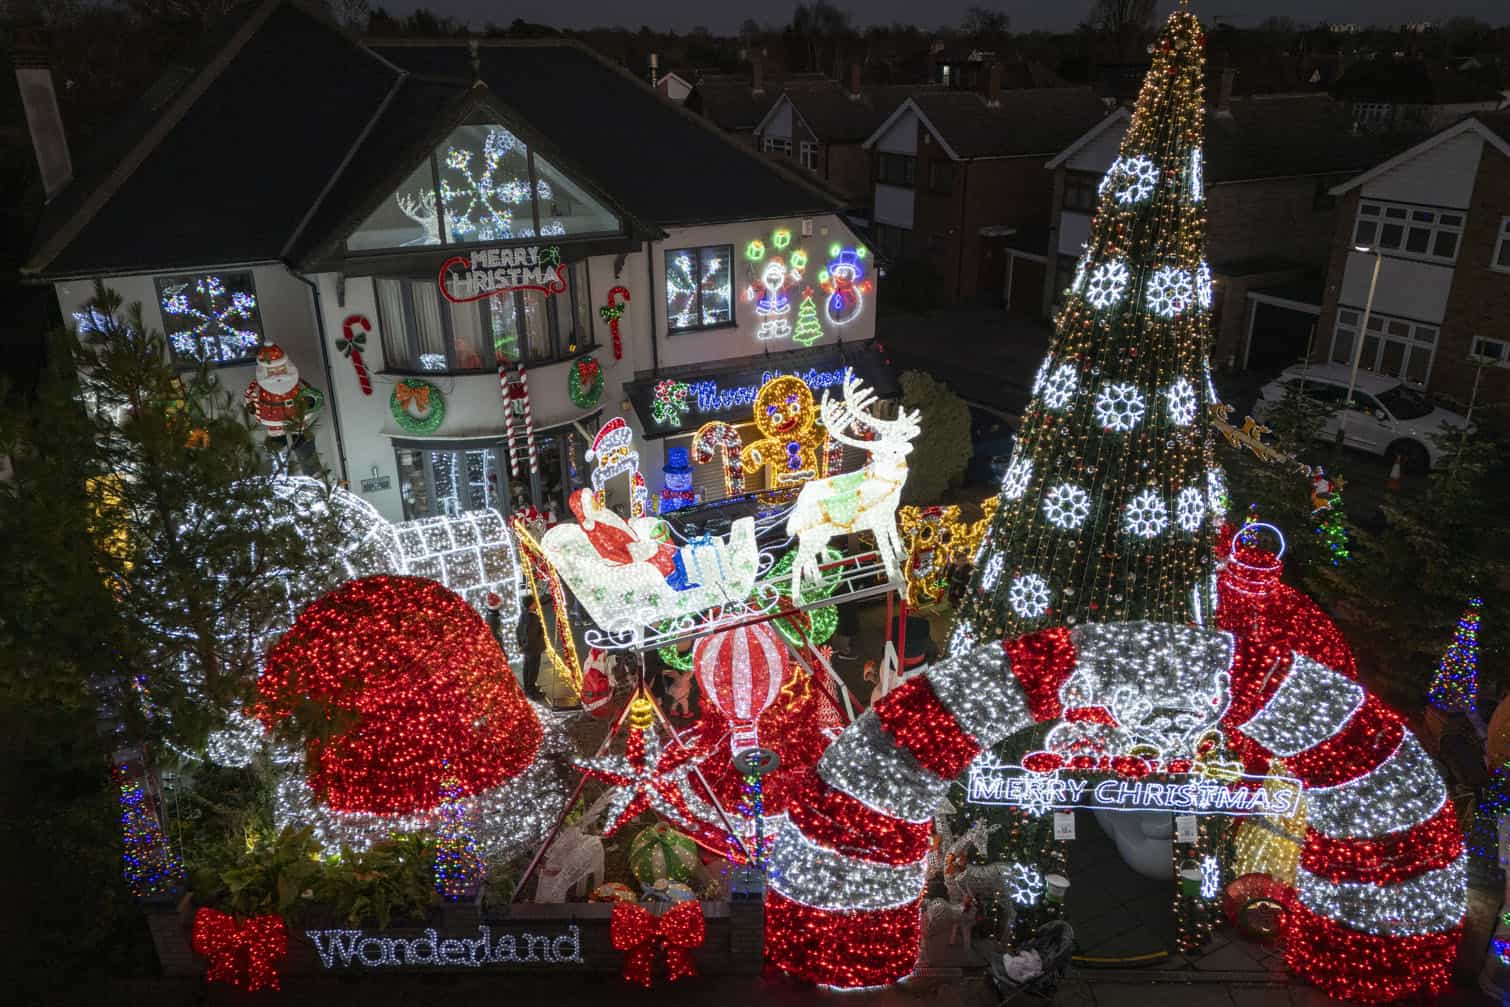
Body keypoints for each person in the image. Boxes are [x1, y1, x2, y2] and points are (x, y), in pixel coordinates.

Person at [516, 597, 546, 702]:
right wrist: (527, 647)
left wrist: (522, 646)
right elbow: (532, 637)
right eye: (535, 602)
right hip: (533, 649)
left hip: (528, 649)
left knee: (527, 669)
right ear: (531, 605)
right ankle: (531, 692)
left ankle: (529, 688)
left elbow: (518, 630)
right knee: (533, 670)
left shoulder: (523, 614)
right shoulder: (532, 619)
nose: (537, 603)